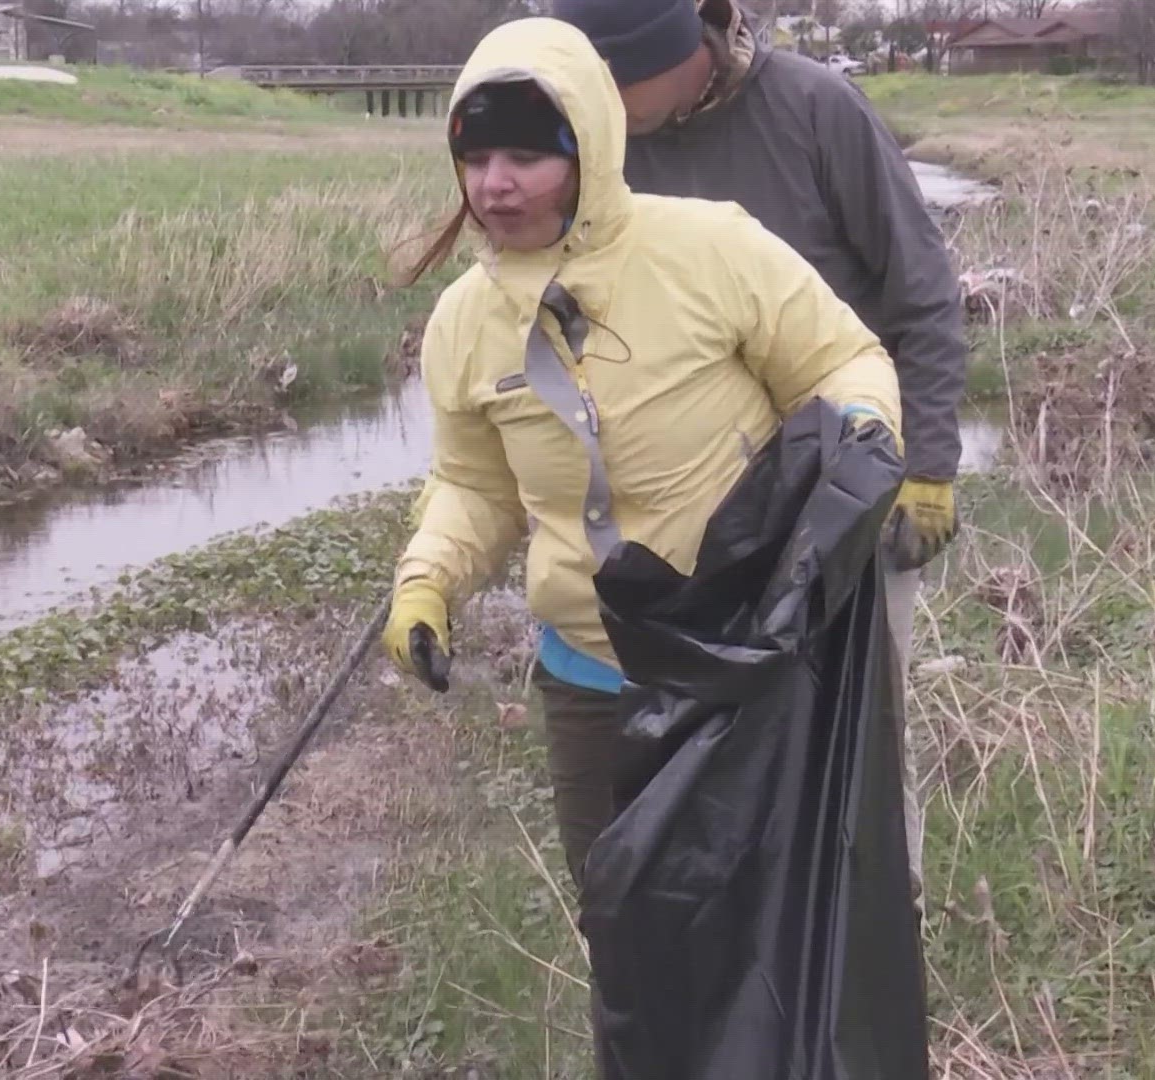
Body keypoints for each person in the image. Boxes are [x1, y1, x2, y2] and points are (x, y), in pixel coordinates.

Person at [383, 15, 903, 898]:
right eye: (475, 160)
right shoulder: (464, 325)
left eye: (525, 157)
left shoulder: (711, 248)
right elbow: (474, 485)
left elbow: (841, 361)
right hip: (590, 679)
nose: (496, 186)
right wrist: (426, 582)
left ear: (588, 147)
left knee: (773, 912)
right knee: (625, 926)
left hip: (749, 660)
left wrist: (864, 439)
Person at [550, 0, 972, 898]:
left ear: (687, 45)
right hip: (695, 531)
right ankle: (738, 971)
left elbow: (925, 292)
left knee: (856, 747)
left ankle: (871, 956)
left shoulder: (818, 110)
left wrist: (929, 467)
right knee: (718, 761)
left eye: (621, 83)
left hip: (844, 500)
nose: (607, 107)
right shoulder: (604, 147)